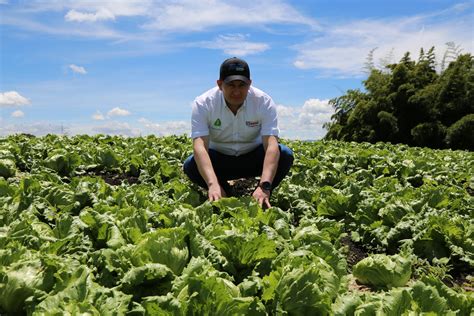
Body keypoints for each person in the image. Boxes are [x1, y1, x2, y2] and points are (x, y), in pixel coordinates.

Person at [183, 57, 294, 208]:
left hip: (253, 157)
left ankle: (260, 195)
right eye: (230, 85)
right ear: (220, 84)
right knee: (190, 165)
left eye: (242, 85)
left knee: (285, 154)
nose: (236, 91)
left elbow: (272, 145)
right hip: (220, 160)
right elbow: (199, 146)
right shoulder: (204, 103)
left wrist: (265, 185)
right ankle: (222, 191)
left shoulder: (264, 102)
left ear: (250, 84)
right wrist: (212, 183)